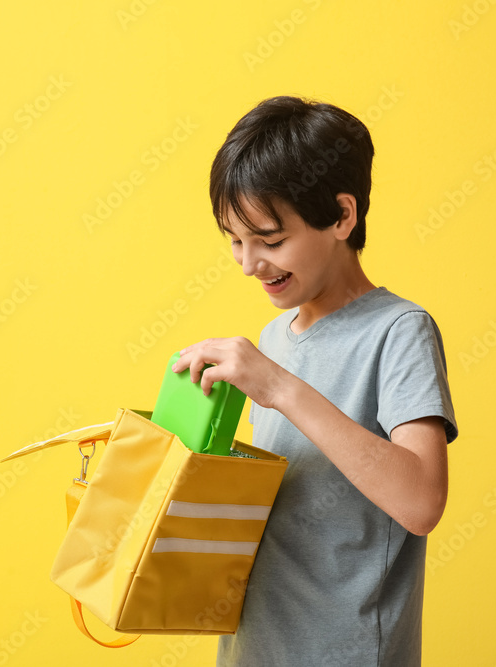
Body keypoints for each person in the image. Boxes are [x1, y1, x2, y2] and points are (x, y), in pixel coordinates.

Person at [170, 96, 458, 666]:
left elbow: (422, 501)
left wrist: (278, 388)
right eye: (234, 240)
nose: (250, 264)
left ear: (342, 217)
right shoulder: (273, 339)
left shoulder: (399, 332)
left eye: (271, 241)